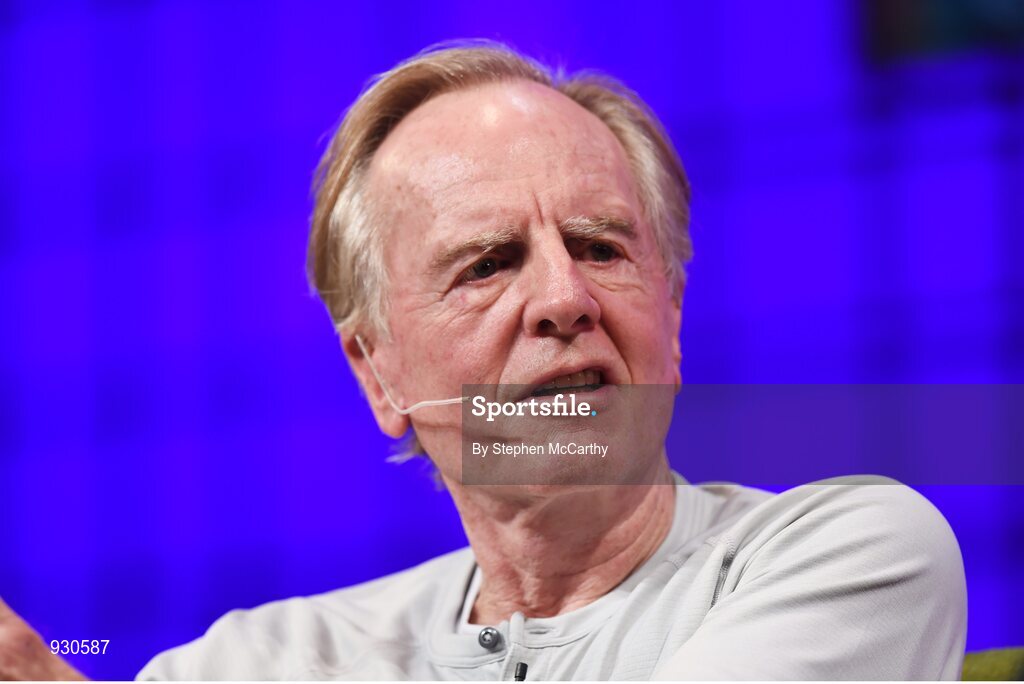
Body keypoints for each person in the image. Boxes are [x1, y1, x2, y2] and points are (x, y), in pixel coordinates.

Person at [0, 41, 966, 681]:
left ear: (670, 318)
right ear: (376, 374)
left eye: (601, 248)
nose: (563, 299)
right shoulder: (274, 659)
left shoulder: (850, 555)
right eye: (489, 264)